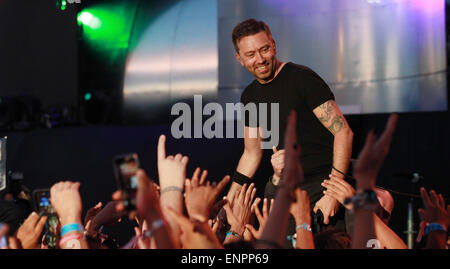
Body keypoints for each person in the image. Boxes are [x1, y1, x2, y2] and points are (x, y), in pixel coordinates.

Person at [228, 19, 354, 241]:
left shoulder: (301, 78)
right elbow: (251, 153)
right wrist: (229, 202)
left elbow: (343, 132)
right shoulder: (250, 96)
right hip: (289, 191)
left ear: (274, 45)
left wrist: (334, 193)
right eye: (250, 54)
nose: (260, 59)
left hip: (324, 185)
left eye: (264, 49)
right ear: (239, 59)